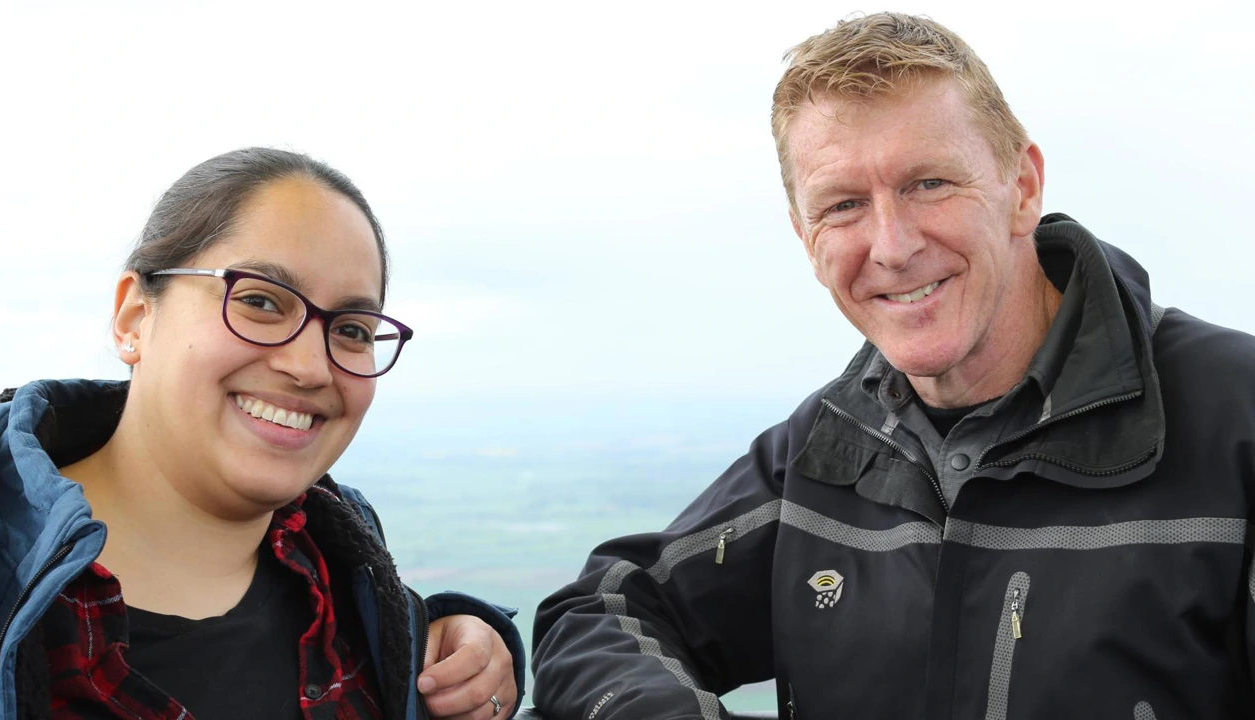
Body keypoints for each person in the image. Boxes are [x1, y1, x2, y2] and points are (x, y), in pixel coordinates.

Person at [530, 12, 1255, 720]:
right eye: (843, 205)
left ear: (1022, 187)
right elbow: (600, 611)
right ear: (805, 238)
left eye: (928, 184)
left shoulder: (1236, 419)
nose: (893, 246)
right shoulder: (829, 445)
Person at [0, 148, 524, 720]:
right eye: (260, 301)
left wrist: (445, 655)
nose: (310, 367)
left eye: (352, 329)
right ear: (134, 317)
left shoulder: (351, 583)